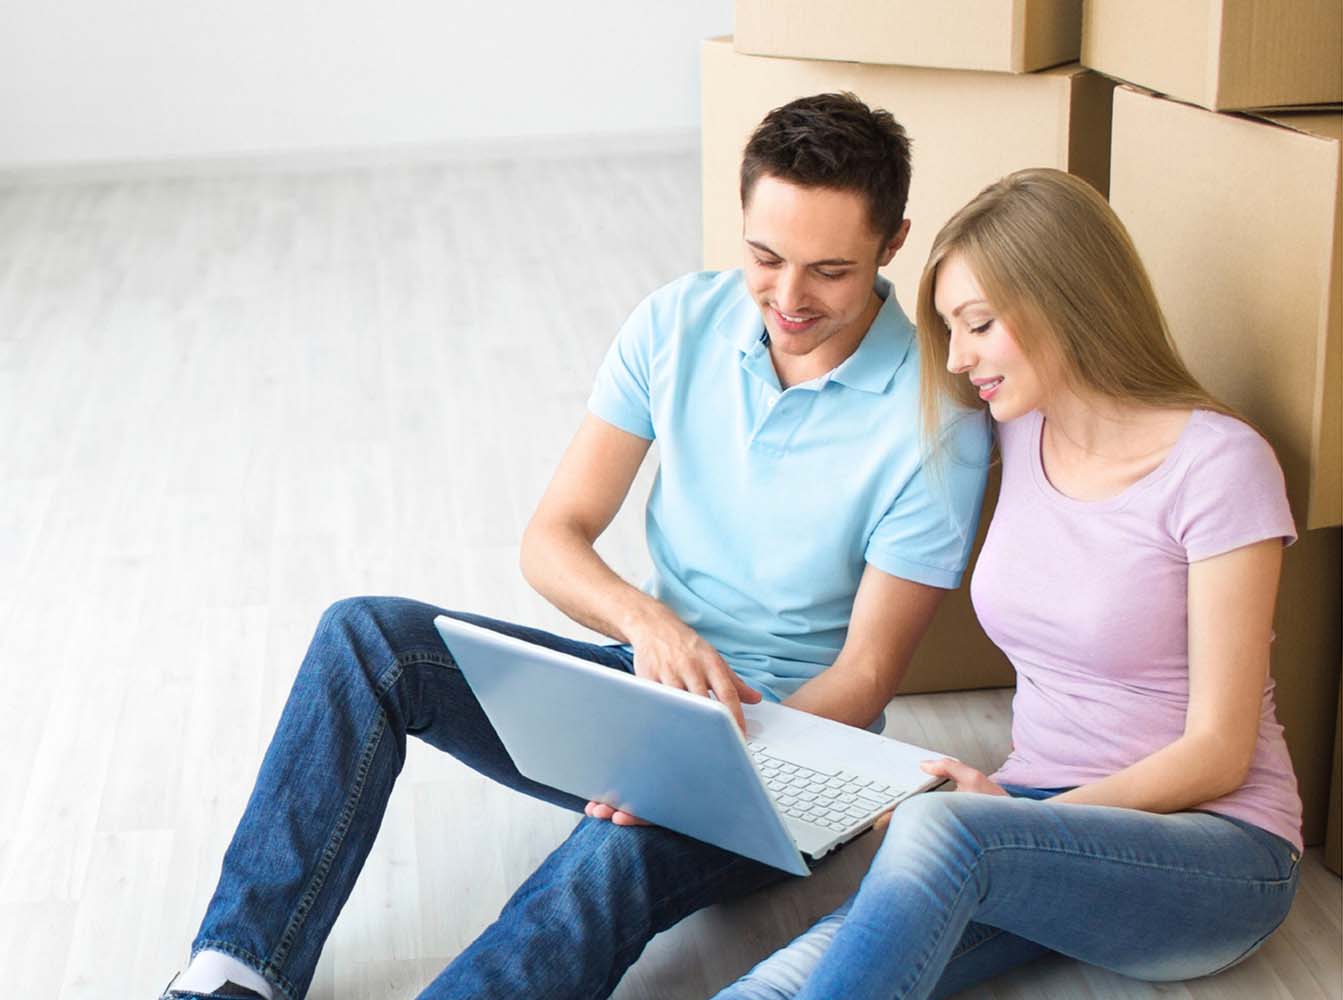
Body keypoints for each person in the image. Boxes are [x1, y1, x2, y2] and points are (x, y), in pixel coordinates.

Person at [158, 93, 992, 1000]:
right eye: (764, 257)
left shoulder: (936, 421)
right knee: (365, 639)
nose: (787, 298)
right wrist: (650, 628)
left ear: (892, 243)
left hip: (793, 748)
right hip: (641, 683)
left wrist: (694, 766)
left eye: (828, 271)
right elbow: (553, 538)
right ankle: (233, 971)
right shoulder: (678, 321)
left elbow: (868, 676)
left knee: (606, 861)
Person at [711, 167, 1304, 1000]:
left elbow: (1217, 752)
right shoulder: (1018, 430)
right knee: (792, 978)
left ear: (1066, 300)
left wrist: (1014, 819)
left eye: (978, 325)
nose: (957, 359)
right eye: (950, 329)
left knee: (943, 832)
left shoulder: (1218, 465)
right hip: (1029, 819)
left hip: (1215, 852)